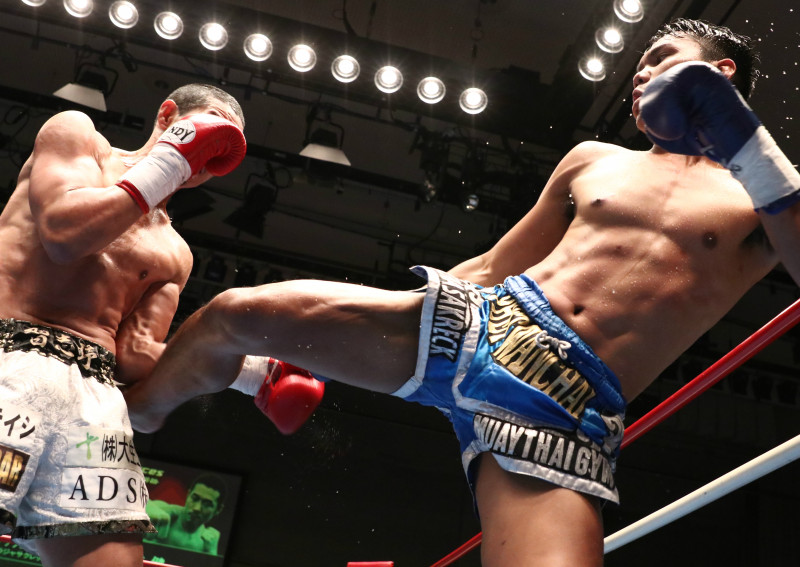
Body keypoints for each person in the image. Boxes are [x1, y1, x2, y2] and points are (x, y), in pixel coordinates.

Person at [124, 19, 800, 566]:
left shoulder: (765, 196)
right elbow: (495, 263)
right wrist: (357, 323)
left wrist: (743, 138)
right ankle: (133, 413)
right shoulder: (597, 160)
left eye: (659, 59)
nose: (640, 77)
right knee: (235, 314)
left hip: (559, 405)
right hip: (477, 323)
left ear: (721, 74)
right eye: (638, 68)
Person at [0, 83, 247, 566]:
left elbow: (135, 355)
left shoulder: (175, 253)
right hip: (10, 360)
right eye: (209, 125)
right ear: (167, 115)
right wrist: (169, 162)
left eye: (224, 146)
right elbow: (63, 234)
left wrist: (246, 368)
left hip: (96, 400)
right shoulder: (79, 138)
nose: (210, 149)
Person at [144, 474, 226, 555]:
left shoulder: (206, 544)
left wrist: (212, 552)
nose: (197, 508)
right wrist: (144, 511)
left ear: (218, 509)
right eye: (195, 498)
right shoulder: (165, 511)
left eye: (207, 504)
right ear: (188, 494)